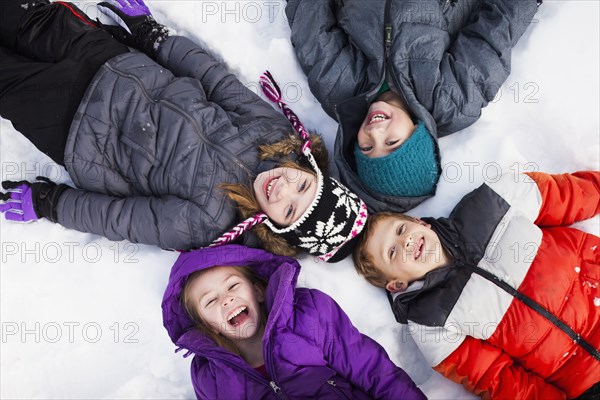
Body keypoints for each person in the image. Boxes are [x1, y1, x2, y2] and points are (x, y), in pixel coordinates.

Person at [0, 0, 367, 262]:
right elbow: (217, 81)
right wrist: (153, 36)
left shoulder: (207, 221)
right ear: (311, 169)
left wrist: (51, 204)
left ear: (277, 230)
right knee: (31, 18)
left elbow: (122, 217)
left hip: (79, 127)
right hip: (117, 63)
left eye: (289, 209)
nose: (283, 188)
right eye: (303, 185)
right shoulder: (276, 135)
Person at [352, 170, 600, 398]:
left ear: (420, 223)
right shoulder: (430, 322)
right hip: (583, 379)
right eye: (392, 252)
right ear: (397, 285)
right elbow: (495, 377)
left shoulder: (491, 204)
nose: (405, 241)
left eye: (401, 229)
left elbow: (570, 195)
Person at [285, 0, 542, 212]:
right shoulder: (452, 100)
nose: (375, 132)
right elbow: (492, 36)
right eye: (392, 142)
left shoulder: (341, 91)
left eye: (366, 147)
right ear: (417, 138)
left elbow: (312, 30)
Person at [161, 244, 426, 399]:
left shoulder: (309, 314)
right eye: (210, 301)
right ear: (205, 325)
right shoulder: (209, 376)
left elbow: (371, 368)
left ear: (257, 290)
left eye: (232, 286)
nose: (226, 300)